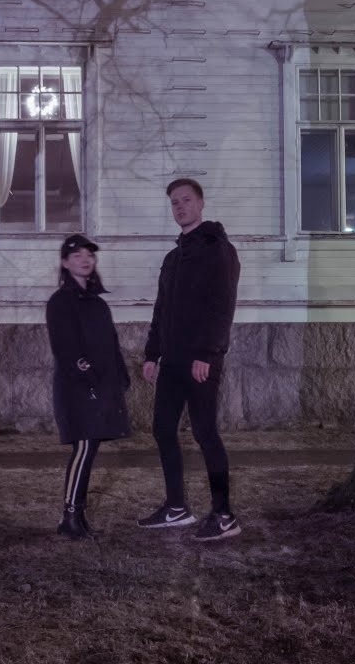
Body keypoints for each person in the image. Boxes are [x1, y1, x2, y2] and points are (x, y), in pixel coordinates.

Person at [137, 178, 242, 541]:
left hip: (201, 360)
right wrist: (152, 354)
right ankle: (176, 507)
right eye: (174, 203)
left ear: (200, 204)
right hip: (171, 361)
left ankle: (224, 514)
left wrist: (207, 354)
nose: (180, 207)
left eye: (186, 200)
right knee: (163, 429)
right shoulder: (173, 258)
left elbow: (222, 306)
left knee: (204, 433)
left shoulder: (218, 250)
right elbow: (161, 309)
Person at [45, 234, 132, 540]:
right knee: (83, 447)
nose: (85, 260)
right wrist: (88, 376)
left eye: (89, 255)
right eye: (77, 255)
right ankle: (69, 516)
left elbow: (111, 345)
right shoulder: (60, 302)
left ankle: (77, 516)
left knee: (90, 447)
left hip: (101, 386)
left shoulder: (97, 303)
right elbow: (65, 349)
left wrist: (120, 378)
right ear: (65, 263)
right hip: (77, 388)